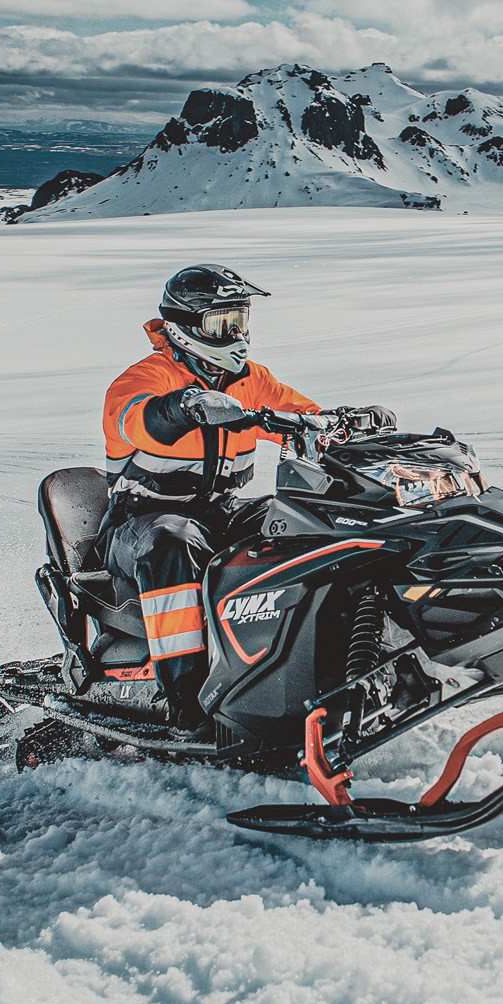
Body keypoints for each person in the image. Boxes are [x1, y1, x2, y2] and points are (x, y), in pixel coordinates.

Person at [101, 264, 389, 734]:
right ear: (183, 328)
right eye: (222, 324)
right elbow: (135, 420)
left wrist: (348, 421)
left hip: (220, 509)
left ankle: (299, 667)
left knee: (300, 523)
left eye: (240, 320)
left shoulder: (249, 379)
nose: (237, 335)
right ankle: (188, 702)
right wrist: (184, 407)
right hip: (142, 519)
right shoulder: (144, 378)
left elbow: (302, 414)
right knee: (173, 544)